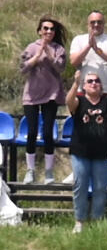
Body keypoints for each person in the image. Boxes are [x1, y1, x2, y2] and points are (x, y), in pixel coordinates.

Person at [65, 67, 107, 231]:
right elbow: (69, 102)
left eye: (97, 81)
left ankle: (97, 221)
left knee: (100, 188)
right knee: (80, 186)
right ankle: (79, 221)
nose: (94, 83)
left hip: (101, 152)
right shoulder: (79, 101)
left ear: (101, 86)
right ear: (84, 86)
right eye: (90, 81)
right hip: (80, 152)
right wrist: (75, 84)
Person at [18, 16, 66, 184]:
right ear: (39, 31)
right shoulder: (31, 47)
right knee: (31, 132)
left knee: (47, 133)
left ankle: (49, 172)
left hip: (51, 94)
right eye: (45, 28)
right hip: (31, 95)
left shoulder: (59, 49)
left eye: (52, 29)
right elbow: (23, 68)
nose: (48, 31)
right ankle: (30, 170)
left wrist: (48, 53)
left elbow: (60, 68)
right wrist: (37, 55)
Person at [69, 10, 107, 89]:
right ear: (87, 24)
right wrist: (88, 46)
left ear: (104, 24)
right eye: (93, 22)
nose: (96, 24)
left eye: (99, 22)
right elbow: (73, 61)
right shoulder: (78, 39)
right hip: (85, 90)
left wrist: (97, 50)